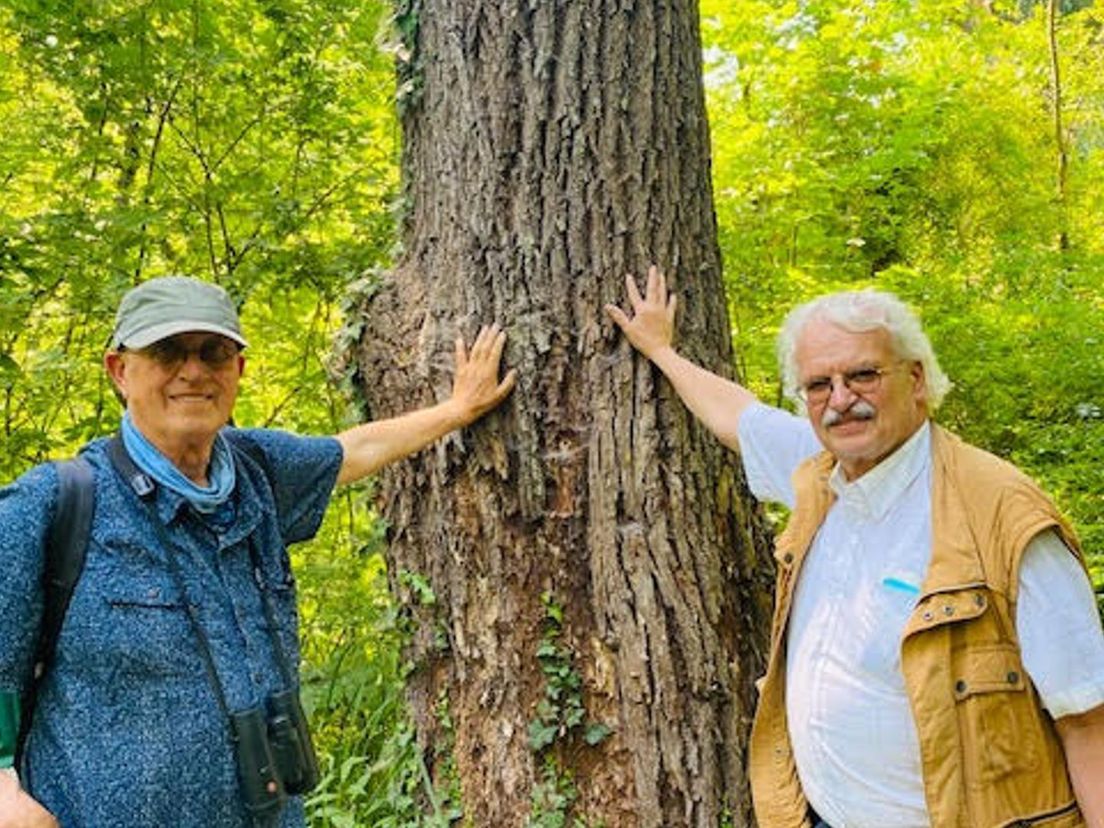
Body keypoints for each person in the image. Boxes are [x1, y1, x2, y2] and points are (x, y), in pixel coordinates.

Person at [0, 275, 517, 828]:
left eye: (214, 353)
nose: (193, 371)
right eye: (166, 351)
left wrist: (458, 410)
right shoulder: (57, 504)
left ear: (239, 370)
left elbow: (352, 452)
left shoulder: (258, 473)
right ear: (120, 371)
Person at [606, 266, 1104, 828]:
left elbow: (1089, 721)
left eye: (863, 375)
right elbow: (738, 418)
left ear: (916, 379)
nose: (841, 400)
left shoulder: (1004, 518)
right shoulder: (821, 473)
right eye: (819, 385)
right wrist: (662, 351)